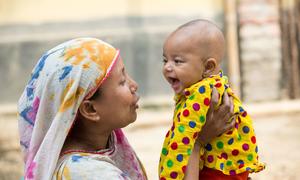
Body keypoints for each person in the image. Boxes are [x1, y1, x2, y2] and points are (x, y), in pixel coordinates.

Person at [18, 37, 234, 180]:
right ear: (90, 110)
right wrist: (196, 143)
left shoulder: (100, 147)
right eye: (122, 81)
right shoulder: (89, 174)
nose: (134, 85)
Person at [159, 19, 265, 180]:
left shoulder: (200, 94)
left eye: (177, 61)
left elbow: (182, 141)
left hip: (214, 173)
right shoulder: (218, 84)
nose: (167, 67)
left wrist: (169, 176)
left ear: (208, 67)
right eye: (165, 60)